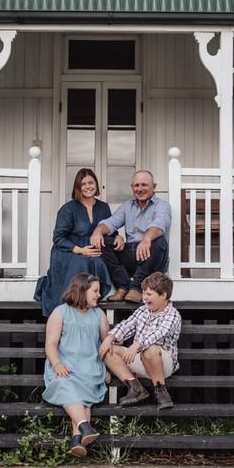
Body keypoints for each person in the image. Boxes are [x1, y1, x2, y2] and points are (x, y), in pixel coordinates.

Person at [35, 169, 121, 316]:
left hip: (92, 250)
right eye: (83, 184)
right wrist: (80, 250)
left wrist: (118, 236)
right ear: (78, 187)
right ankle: (72, 307)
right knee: (82, 263)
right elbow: (58, 238)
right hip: (67, 251)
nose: (88, 186)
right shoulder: (68, 209)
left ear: (96, 185)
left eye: (91, 182)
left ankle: (91, 301)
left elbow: (109, 228)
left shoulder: (103, 207)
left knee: (99, 262)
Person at [43, 273, 111, 458]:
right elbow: (50, 344)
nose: (99, 295)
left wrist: (108, 369)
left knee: (82, 391)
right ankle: (84, 428)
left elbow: (106, 346)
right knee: (67, 384)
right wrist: (56, 363)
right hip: (64, 364)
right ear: (82, 291)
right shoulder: (60, 312)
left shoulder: (99, 315)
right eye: (95, 291)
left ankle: (77, 438)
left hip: (90, 366)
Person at [99, 272, 181, 410]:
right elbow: (126, 325)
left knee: (150, 349)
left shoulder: (172, 315)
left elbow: (158, 334)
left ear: (163, 295)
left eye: (149, 294)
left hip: (162, 364)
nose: (144, 297)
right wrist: (109, 338)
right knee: (108, 349)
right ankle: (136, 389)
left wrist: (137, 344)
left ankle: (161, 392)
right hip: (139, 359)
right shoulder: (143, 311)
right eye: (144, 293)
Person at [90, 170, 171, 303]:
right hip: (132, 254)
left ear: (154, 186)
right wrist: (98, 231)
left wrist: (146, 239)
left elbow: (159, 225)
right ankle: (123, 286)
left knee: (159, 240)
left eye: (144, 185)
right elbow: (111, 223)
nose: (140, 189)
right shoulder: (128, 206)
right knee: (103, 241)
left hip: (153, 258)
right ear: (132, 187)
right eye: (136, 185)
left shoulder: (162, 206)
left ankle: (136, 287)